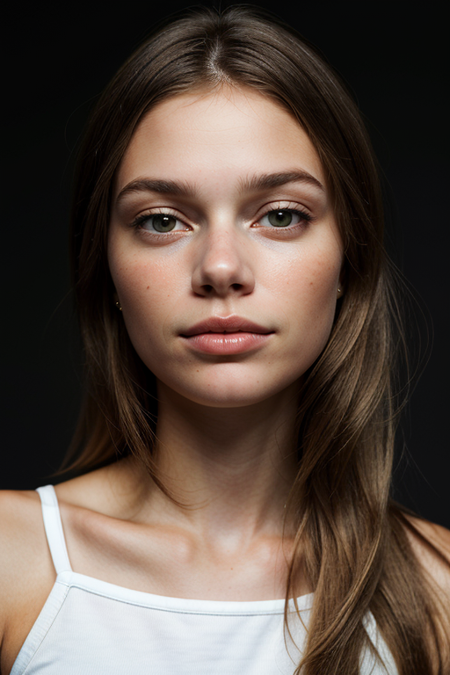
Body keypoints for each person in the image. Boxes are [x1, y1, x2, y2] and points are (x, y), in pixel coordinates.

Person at [0, 6, 449, 674]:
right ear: (107, 269)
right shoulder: (13, 561)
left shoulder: (438, 591)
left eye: (279, 215)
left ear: (349, 259)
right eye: (161, 220)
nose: (219, 268)